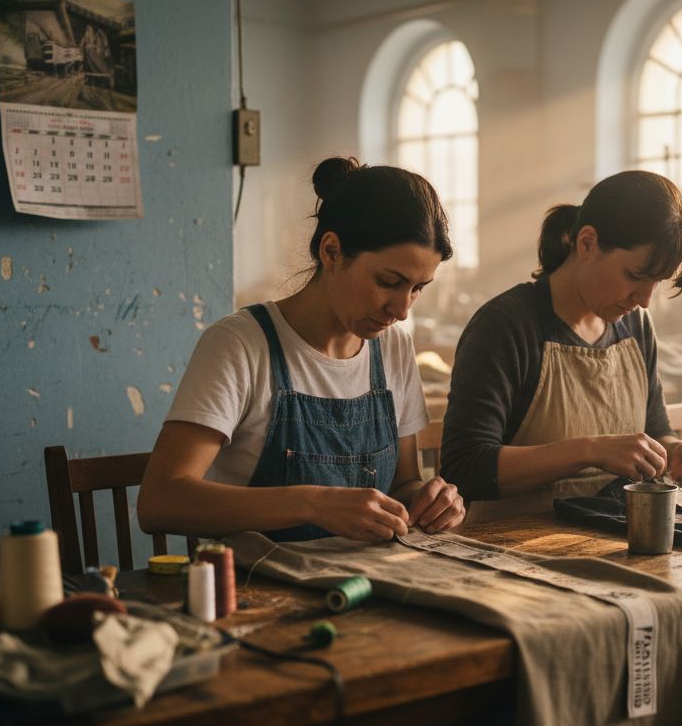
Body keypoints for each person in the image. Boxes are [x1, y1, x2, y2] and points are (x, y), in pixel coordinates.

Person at [137, 157, 465, 542]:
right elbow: (159, 502)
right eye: (389, 281)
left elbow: (403, 484)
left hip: (366, 584)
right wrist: (312, 503)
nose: (403, 310)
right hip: (257, 589)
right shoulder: (240, 345)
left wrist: (431, 500)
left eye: (417, 288)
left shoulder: (392, 347)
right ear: (331, 252)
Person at [441, 169, 682, 522]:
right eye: (634, 276)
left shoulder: (635, 325)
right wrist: (589, 450)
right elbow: (465, 467)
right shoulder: (507, 326)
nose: (645, 300)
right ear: (587, 243)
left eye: (656, 283)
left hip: (615, 535)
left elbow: (656, 429)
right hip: (514, 548)